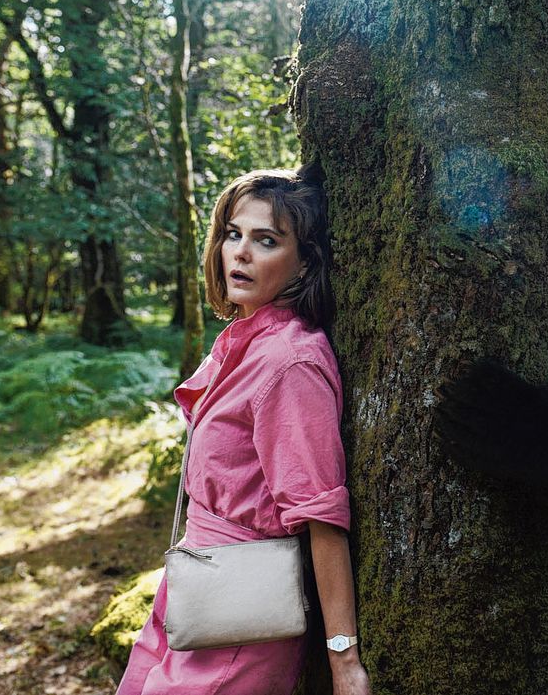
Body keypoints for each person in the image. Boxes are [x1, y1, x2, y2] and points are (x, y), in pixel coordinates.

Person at [117, 167, 370, 695]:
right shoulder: (243, 339)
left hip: (241, 614)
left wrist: (344, 659)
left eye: (267, 240)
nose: (241, 253)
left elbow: (322, 516)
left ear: (304, 262)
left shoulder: (289, 362)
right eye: (234, 234)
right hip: (195, 583)